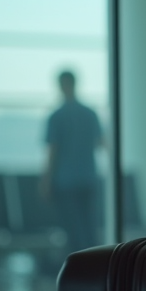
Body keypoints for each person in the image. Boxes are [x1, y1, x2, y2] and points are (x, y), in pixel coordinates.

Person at [42, 70, 102, 255]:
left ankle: (77, 270)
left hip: (66, 182)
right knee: (90, 229)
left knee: (73, 231)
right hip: (88, 179)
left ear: (61, 86)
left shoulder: (57, 116)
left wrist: (45, 181)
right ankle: (94, 268)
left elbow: (53, 151)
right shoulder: (90, 114)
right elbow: (100, 143)